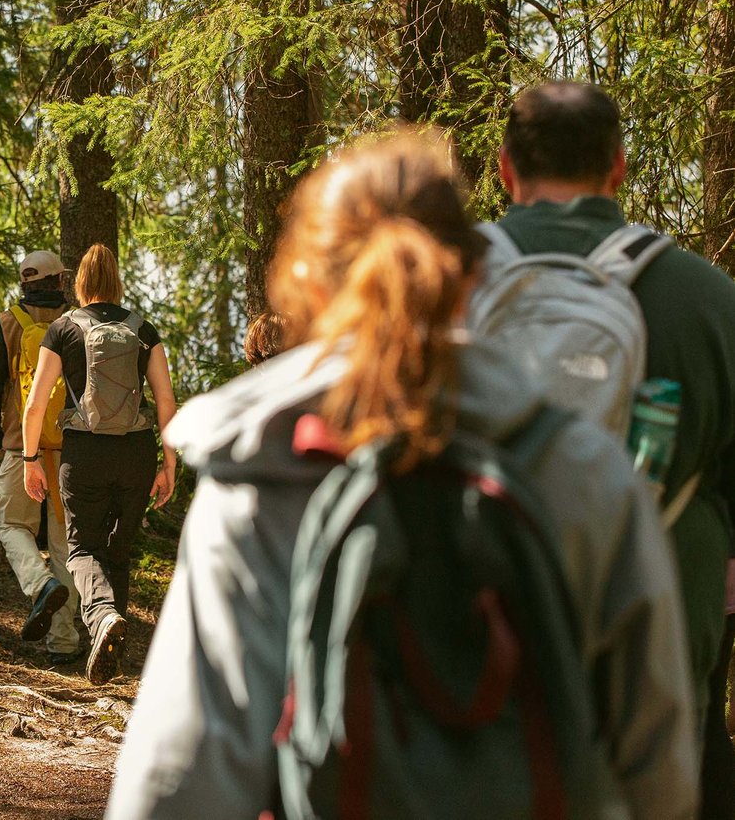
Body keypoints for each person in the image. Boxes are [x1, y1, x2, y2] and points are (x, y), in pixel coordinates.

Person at [106, 131, 696, 819]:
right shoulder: (583, 469)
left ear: (304, 284)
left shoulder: (261, 474)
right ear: (475, 276)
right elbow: (659, 762)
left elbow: (185, 774)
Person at [492, 82, 735, 812]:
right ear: (619, 168)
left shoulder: (429, 284)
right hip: (657, 619)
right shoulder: (709, 298)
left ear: (505, 169)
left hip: (475, 618)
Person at [21, 243, 178, 686]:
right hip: (136, 451)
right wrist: (169, 463)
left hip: (84, 452)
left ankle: (103, 617)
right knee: (118, 553)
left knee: (82, 548)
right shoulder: (143, 330)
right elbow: (165, 400)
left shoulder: (63, 328)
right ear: (117, 283)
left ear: (80, 284)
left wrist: (31, 459)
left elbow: (36, 404)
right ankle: (111, 655)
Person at [0, 250, 80, 665]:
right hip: (70, 448)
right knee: (64, 545)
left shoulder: (7, 324)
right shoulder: (77, 322)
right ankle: (65, 643)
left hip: (22, 446)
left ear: (24, 282)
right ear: (59, 282)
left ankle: (39, 587)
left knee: (11, 524)